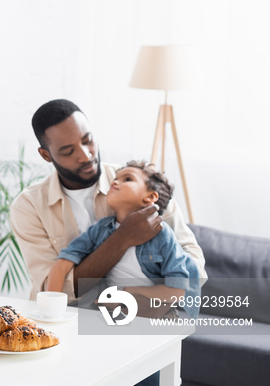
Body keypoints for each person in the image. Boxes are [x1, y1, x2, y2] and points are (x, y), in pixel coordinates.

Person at [10, 99, 206, 301]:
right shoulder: (29, 207)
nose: (86, 156)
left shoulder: (138, 182)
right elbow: (53, 292)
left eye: (87, 140)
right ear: (46, 155)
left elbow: (194, 263)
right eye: (68, 151)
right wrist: (123, 237)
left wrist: (151, 296)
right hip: (64, 322)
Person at [46, 160, 200, 318]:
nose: (114, 182)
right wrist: (52, 310)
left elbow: (177, 292)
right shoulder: (100, 230)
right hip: (114, 314)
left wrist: (128, 293)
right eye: (115, 178)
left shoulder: (162, 234)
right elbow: (62, 264)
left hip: (159, 315)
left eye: (127, 179)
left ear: (150, 197)